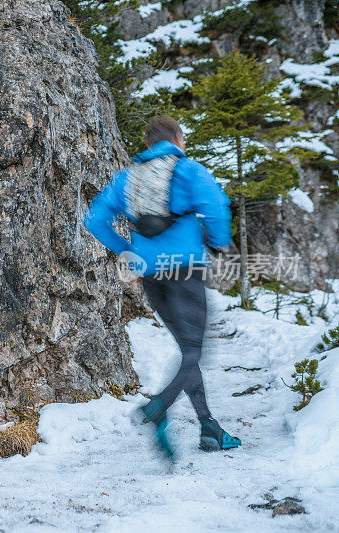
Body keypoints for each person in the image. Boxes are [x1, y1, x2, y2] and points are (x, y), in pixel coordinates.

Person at [83, 116, 241, 459]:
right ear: (177, 139)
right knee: (195, 350)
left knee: (188, 350)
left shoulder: (128, 177)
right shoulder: (188, 170)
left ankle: (209, 427)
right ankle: (159, 406)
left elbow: (94, 219)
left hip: (150, 273)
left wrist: (128, 252)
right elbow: (216, 206)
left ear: (149, 142)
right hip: (185, 269)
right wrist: (217, 242)